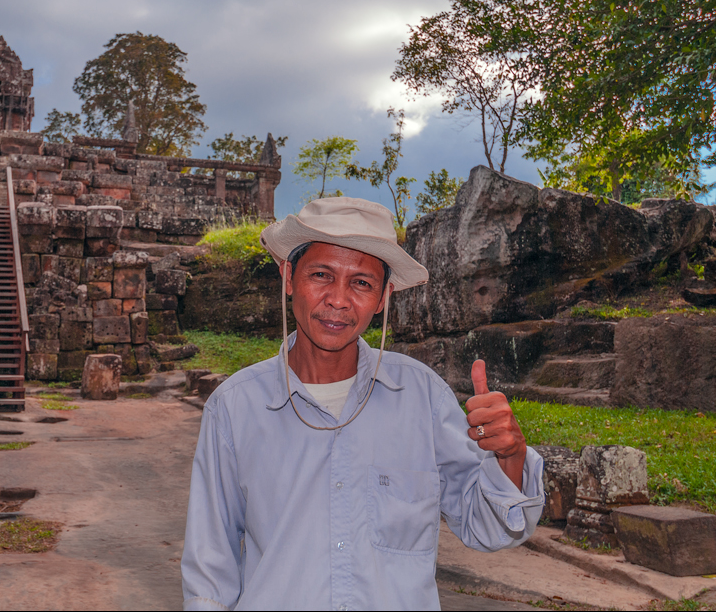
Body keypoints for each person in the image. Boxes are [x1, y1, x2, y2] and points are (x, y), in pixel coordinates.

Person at [181, 197, 545, 611]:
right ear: (288, 276)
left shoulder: (421, 396)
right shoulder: (236, 407)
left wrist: (511, 456)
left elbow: (492, 527)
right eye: (321, 274)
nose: (338, 300)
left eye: (361, 283)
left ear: (384, 296)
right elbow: (210, 568)